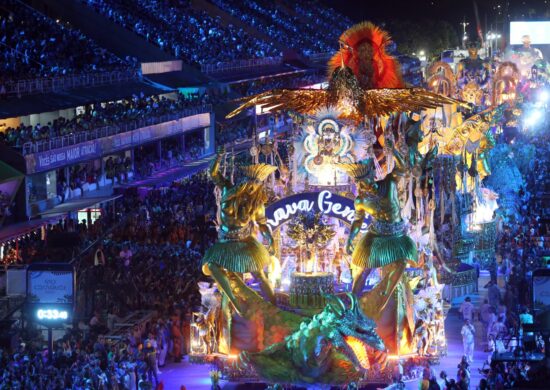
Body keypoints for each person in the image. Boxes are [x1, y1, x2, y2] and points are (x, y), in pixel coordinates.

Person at [202, 146, 277, 314]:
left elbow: (262, 224)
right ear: (244, 183)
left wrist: (270, 239)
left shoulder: (257, 203)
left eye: (256, 187)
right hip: (225, 241)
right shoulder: (228, 189)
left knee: (258, 273)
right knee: (213, 266)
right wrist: (219, 156)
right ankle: (235, 302)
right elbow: (213, 174)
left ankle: (274, 306)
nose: (252, 190)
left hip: (245, 241)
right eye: (251, 185)